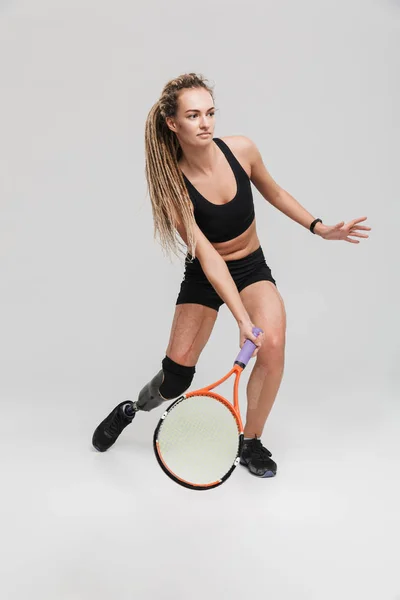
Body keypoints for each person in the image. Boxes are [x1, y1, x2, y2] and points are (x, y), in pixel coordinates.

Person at [91, 73, 371, 478]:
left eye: (210, 112)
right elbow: (207, 256)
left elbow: (273, 192)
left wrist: (319, 226)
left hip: (251, 266)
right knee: (175, 378)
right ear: (173, 123)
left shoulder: (242, 150)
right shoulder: (172, 186)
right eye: (193, 115)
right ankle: (133, 408)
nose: (205, 123)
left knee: (272, 344)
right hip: (206, 275)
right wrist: (242, 318)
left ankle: (251, 441)